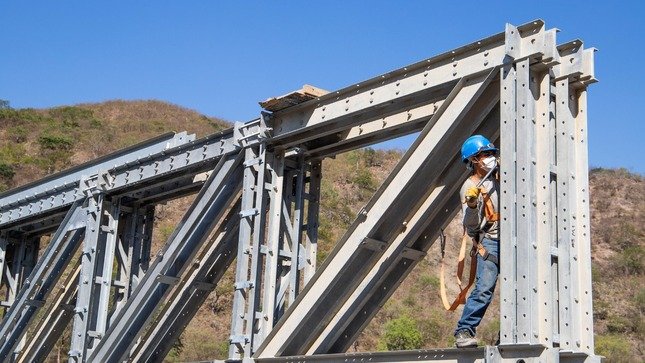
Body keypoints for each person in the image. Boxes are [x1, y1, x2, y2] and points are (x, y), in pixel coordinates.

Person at [453, 135, 500, 348]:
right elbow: (471, 227)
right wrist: (472, 206)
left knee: (522, 289)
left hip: (513, 242)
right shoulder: (471, 186)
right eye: (485, 154)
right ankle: (464, 331)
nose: (491, 158)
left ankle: (513, 332)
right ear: (473, 160)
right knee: (483, 290)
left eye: (492, 154)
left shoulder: (501, 179)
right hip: (490, 243)